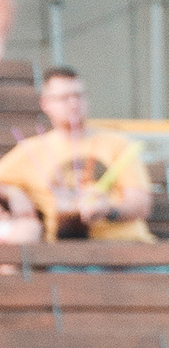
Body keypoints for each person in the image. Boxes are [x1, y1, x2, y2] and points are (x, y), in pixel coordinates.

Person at [0, 64, 153, 240]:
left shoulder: (116, 143)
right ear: (45, 104)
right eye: (64, 98)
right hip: (65, 249)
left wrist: (108, 210)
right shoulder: (31, 150)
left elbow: (141, 204)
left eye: (79, 96)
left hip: (125, 245)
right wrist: (13, 193)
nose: (74, 104)